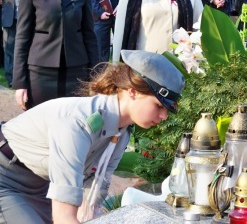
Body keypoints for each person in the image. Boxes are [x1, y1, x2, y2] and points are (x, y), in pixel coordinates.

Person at [0, 49, 184, 224]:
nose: (164, 117)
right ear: (133, 91)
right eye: (159, 106)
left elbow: (94, 194)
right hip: (6, 178)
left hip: (40, 184)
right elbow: (64, 217)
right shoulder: (78, 123)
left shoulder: (121, 133)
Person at [12, 0, 99, 109]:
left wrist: (96, 76)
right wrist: (20, 83)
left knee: (74, 127)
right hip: (40, 73)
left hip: (77, 72)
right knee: (40, 128)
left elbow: (89, 34)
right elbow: (22, 38)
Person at [0, 0, 38, 87]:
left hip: (29, 15)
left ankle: (27, 77)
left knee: (28, 47)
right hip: (10, 16)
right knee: (9, 49)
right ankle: (11, 79)